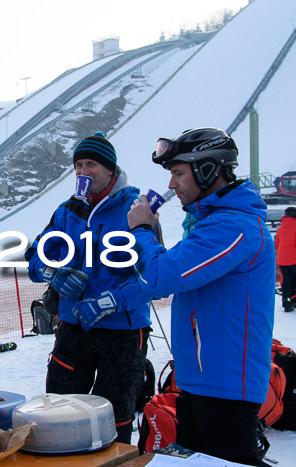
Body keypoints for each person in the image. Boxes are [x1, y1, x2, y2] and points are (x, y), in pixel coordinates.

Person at [127, 127, 275, 465]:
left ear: (208, 170)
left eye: (178, 173)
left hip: (225, 390)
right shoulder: (211, 223)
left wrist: (142, 231)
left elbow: (162, 277)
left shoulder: (234, 227)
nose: (171, 184)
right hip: (203, 382)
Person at [25, 131, 155, 444]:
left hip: (123, 332)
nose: (83, 171)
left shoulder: (136, 209)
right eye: (78, 165)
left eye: (92, 164)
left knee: (115, 413)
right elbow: (33, 258)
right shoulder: (67, 211)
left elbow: (152, 276)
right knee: (59, 407)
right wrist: (54, 274)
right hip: (73, 327)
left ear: (111, 170)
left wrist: (108, 302)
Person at [276, 206, 296, 312]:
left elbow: (277, 244)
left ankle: (287, 302)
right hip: (294, 259)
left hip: (283, 260)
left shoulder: (280, 229)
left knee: (287, 283)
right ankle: (294, 299)